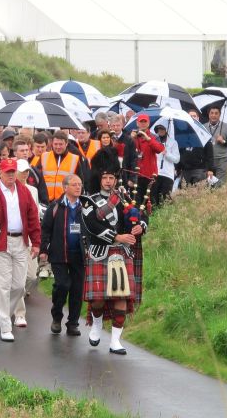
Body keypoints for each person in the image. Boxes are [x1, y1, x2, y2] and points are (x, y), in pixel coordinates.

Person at [82, 147, 147, 355]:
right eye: (105, 177)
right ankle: (97, 324)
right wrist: (116, 236)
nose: (109, 181)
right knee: (99, 298)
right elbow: (92, 225)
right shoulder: (89, 200)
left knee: (121, 296)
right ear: (98, 178)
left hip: (121, 253)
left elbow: (140, 215)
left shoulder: (124, 196)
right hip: (101, 251)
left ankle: (116, 341)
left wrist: (140, 226)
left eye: (112, 177)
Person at [0, 158, 41, 342]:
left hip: (20, 242)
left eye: (13, 172)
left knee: (19, 286)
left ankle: (4, 314)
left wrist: (36, 242)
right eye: (7, 172)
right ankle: (5, 326)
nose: (10, 175)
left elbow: (33, 217)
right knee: (2, 286)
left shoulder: (24, 191)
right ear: (0, 172)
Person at [40, 174, 85, 336]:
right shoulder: (55, 207)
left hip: (80, 255)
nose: (78, 187)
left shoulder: (85, 206)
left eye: (80, 184)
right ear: (65, 187)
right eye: (74, 184)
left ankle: (73, 323)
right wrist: (44, 250)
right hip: (59, 254)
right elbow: (45, 229)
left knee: (77, 289)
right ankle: (56, 317)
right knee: (62, 285)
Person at [12, 159, 40, 328]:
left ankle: (12, 297)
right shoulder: (8, 190)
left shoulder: (33, 190)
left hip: (28, 240)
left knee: (31, 276)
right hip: (13, 239)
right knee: (19, 281)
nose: (25, 174)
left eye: (27, 171)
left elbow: (35, 217)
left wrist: (37, 241)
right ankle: (19, 313)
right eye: (21, 171)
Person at [37, 130, 82, 202]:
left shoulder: (74, 159)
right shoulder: (44, 156)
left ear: (66, 143)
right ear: (52, 143)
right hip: (45, 200)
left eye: (61, 144)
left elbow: (80, 181)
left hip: (65, 200)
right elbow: (37, 177)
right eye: (56, 144)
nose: (58, 147)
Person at [132, 113, 165, 206]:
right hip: (136, 175)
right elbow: (125, 152)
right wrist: (131, 139)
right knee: (136, 203)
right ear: (137, 123)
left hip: (150, 175)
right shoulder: (132, 136)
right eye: (141, 122)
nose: (143, 124)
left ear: (149, 123)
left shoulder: (154, 136)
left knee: (151, 203)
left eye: (145, 122)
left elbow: (160, 149)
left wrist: (148, 139)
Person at [178, 109, 215, 186]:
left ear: (198, 118)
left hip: (199, 169)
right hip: (185, 169)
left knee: (198, 192)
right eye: (190, 116)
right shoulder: (182, 133)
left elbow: (209, 154)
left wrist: (210, 169)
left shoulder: (203, 132)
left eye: (194, 116)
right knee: (185, 193)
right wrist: (177, 167)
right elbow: (179, 151)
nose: (192, 118)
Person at [204, 106, 227, 187]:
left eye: (216, 113)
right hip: (208, 160)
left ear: (220, 115)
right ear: (208, 114)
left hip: (222, 159)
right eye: (212, 113)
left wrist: (223, 141)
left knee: (221, 183)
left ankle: (220, 197)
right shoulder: (203, 127)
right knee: (209, 183)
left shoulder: (226, 126)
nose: (214, 115)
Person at [150, 124, 179, 206]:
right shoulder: (153, 141)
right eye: (159, 129)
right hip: (155, 173)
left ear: (166, 130)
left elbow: (177, 159)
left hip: (168, 174)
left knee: (165, 200)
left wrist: (167, 154)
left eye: (163, 129)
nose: (161, 131)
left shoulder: (173, 142)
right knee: (153, 198)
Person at [109, 115, 137, 190]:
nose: (115, 128)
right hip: (110, 176)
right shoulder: (107, 139)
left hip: (125, 175)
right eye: (113, 125)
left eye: (118, 125)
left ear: (122, 126)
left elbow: (134, 160)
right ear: (110, 126)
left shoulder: (129, 140)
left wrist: (132, 178)